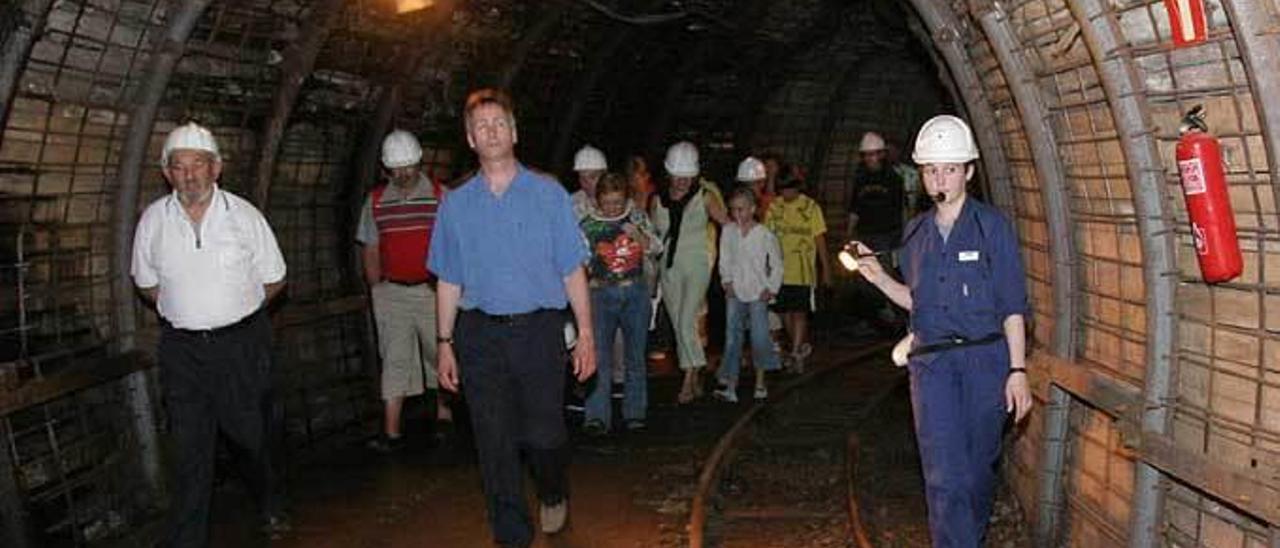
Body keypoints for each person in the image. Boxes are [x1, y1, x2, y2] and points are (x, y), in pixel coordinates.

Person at [851, 115, 1033, 547]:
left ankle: (968, 534)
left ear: (968, 171)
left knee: (975, 471)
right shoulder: (915, 234)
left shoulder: (992, 227)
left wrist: (1018, 370)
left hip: (985, 361)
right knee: (942, 474)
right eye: (932, 169)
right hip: (932, 364)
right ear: (922, 174)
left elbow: (1011, 305)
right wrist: (876, 277)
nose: (940, 178)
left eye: (949, 168)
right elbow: (919, 301)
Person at [428, 88, 595, 547]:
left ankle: (553, 488)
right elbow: (448, 279)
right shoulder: (456, 203)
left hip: (538, 330)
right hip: (480, 334)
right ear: (469, 138)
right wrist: (444, 343)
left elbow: (571, 269)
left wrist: (586, 334)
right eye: (481, 126)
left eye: (499, 122)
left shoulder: (548, 193)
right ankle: (511, 534)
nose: (491, 131)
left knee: (544, 434)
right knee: (493, 440)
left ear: (514, 131)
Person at [131, 122, 289, 547]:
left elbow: (274, 279)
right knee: (189, 448)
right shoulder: (153, 221)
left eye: (197, 165)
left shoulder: (243, 216)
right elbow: (146, 284)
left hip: (239, 344)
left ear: (215, 168)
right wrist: (188, 308)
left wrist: (235, 312)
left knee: (249, 436)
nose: (189, 175)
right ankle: (187, 538)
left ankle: (269, 500)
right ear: (167, 172)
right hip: (183, 351)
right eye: (178, 167)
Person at [356, 129, 451, 453]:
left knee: (439, 352)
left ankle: (444, 416)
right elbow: (371, 245)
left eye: (408, 167)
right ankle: (391, 431)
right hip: (392, 291)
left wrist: (450, 285)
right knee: (394, 358)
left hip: (431, 290)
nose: (403, 174)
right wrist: (375, 285)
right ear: (387, 168)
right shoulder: (377, 200)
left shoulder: (441, 196)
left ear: (419, 162)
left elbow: (456, 244)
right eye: (396, 169)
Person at [579, 173, 662, 435]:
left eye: (617, 202)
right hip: (601, 295)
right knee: (599, 357)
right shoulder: (587, 224)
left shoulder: (637, 216)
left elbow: (656, 246)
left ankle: (635, 412)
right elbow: (577, 259)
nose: (613, 207)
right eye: (608, 202)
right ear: (599, 200)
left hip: (634, 292)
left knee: (635, 357)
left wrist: (638, 236)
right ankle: (597, 416)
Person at [650, 141, 729, 403]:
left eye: (688, 175)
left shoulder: (705, 196)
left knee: (686, 320)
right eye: (678, 174)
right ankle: (695, 372)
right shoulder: (657, 200)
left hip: (697, 262)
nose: (683, 181)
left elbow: (727, 224)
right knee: (678, 323)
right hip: (669, 267)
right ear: (668, 172)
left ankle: (687, 378)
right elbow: (653, 236)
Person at [714, 188, 783, 403]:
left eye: (741, 209)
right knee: (733, 337)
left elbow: (777, 263)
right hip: (735, 291)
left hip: (757, 292)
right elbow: (724, 257)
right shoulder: (728, 231)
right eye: (733, 209)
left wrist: (771, 287)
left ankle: (760, 382)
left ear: (752, 209)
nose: (737, 214)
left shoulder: (764, 234)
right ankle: (731, 384)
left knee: (759, 336)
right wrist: (726, 281)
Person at [764, 174, 831, 374]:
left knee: (800, 312)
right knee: (784, 312)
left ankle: (795, 354)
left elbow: (819, 239)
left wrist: (826, 268)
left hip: (803, 271)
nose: (786, 193)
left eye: (789, 189)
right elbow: (767, 238)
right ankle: (798, 348)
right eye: (782, 190)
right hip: (780, 271)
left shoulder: (811, 208)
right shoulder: (774, 208)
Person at [570, 144, 608, 220]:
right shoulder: (571, 204)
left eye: (592, 177)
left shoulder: (624, 202)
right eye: (582, 177)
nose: (587, 183)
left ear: (604, 175)